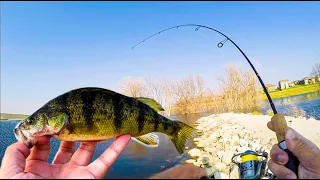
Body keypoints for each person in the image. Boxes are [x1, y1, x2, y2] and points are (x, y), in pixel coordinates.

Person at [1, 121, 320, 179]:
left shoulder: (64, 132)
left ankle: (174, 131)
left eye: (36, 121)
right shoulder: (61, 130)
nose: (31, 127)